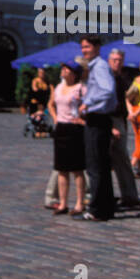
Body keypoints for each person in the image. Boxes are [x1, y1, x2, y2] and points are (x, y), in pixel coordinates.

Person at [76, 35, 118, 221]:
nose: (84, 51)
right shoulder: (96, 66)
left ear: (97, 47)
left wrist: (87, 103)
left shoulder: (99, 66)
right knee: (101, 165)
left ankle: (96, 209)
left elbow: (107, 90)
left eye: (87, 47)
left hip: (97, 119)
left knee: (95, 167)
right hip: (100, 119)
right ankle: (106, 207)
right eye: (83, 48)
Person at [106, 48, 140, 207]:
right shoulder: (105, 77)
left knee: (122, 159)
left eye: (120, 60)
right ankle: (100, 195)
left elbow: (127, 99)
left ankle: (129, 195)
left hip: (120, 120)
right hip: (108, 120)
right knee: (102, 161)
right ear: (109, 60)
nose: (117, 62)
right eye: (114, 59)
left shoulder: (123, 78)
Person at [48, 61, 88, 215]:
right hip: (61, 128)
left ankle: (79, 203)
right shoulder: (59, 87)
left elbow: (89, 105)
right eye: (63, 68)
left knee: (77, 168)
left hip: (75, 129)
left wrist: (82, 117)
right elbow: (50, 104)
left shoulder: (81, 88)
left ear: (73, 73)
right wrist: (55, 118)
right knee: (61, 168)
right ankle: (63, 203)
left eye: (66, 69)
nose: (63, 70)